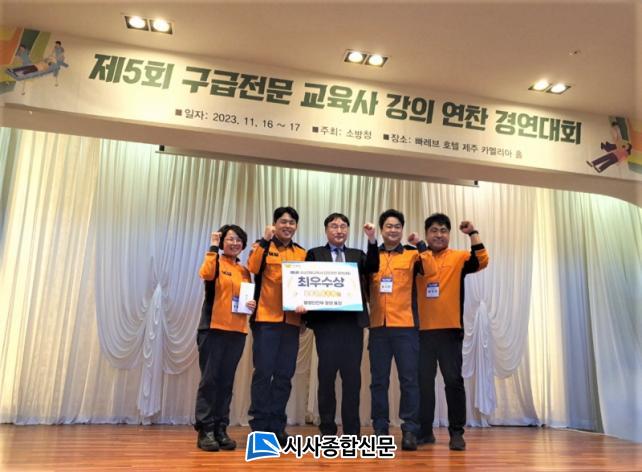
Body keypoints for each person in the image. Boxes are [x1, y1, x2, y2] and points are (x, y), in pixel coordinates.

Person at [415, 213, 489, 451]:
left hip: (450, 331)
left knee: (453, 382)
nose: (439, 235)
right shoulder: (417, 258)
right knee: (423, 384)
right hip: (421, 332)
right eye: (434, 230)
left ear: (448, 234)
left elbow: (482, 261)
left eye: (443, 231)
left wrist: (473, 233)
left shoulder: (459, 257)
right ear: (427, 234)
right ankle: (424, 431)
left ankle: (457, 433)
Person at [303, 213, 379, 437]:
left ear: (348, 230)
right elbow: (305, 284)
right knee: (326, 378)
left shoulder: (357, 254)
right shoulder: (315, 253)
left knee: (352, 379)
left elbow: (373, 267)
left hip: (352, 325)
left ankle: (352, 431)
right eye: (334, 226)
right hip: (326, 326)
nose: (339, 230)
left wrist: (372, 239)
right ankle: (327, 429)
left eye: (343, 226)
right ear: (326, 230)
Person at [368, 209, 436, 451]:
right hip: (378, 327)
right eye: (389, 226)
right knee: (378, 382)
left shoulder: (411, 255)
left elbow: (431, 271)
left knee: (409, 381)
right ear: (382, 229)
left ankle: (410, 430)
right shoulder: (372, 255)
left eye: (397, 226)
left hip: (406, 327)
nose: (393, 230)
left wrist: (421, 245)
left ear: (402, 229)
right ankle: (380, 429)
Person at [247, 206, 307, 446]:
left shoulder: (302, 253)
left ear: (296, 226)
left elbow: (307, 286)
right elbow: (253, 268)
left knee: (284, 375)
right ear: (274, 224)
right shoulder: (261, 247)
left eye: (291, 222)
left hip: (291, 323)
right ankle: (259, 426)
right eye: (283, 221)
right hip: (266, 321)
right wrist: (264, 240)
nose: (287, 226)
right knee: (263, 373)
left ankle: (277, 425)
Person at [195, 225, 257, 452]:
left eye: (239, 240)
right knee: (210, 381)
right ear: (222, 242)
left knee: (226, 382)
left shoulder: (244, 270)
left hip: (237, 331)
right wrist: (212, 247)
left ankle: (221, 428)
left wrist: (251, 304)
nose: (235, 243)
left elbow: (245, 298)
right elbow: (206, 274)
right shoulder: (216, 262)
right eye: (230, 239)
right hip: (213, 329)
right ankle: (205, 430)